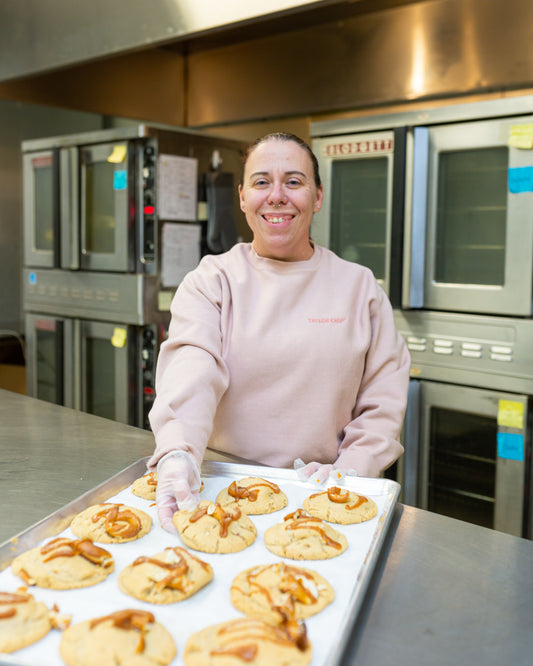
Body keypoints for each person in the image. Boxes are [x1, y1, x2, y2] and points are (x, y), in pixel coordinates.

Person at [148, 132, 410, 532]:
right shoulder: (212, 280)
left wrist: (351, 471)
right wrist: (178, 452)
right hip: (218, 489)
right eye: (261, 182)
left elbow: (383, 400)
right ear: (241, 196)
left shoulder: (360, 289)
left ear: (317, 196)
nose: (276, 196)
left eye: (293, 181)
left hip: (324, 493)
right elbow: (192, 367)